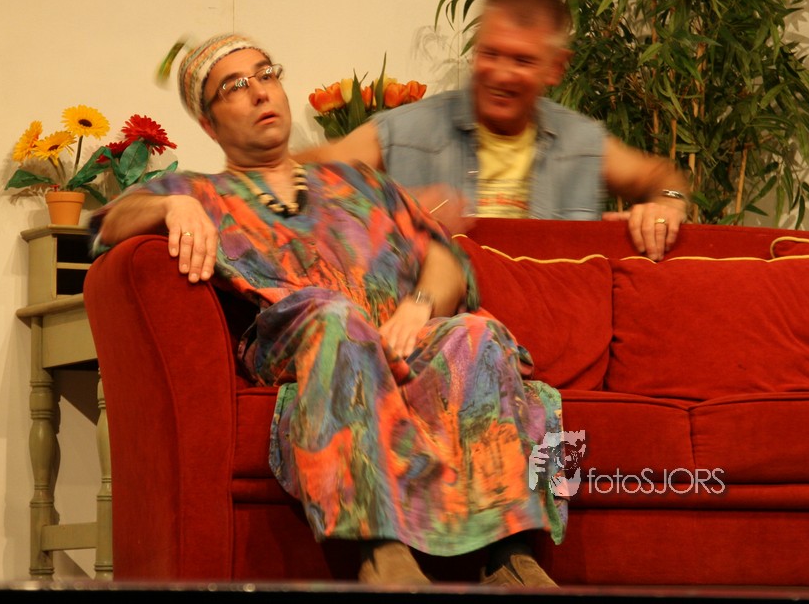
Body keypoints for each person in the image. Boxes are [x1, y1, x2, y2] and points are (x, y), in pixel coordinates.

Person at [91, 33, 570, 587]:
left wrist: (416, 308)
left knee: (473, 336)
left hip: (396, 339)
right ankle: (379, 552)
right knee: (335, 315)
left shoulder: (358, 182)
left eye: (266, 74)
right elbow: (103, 225)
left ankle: (509, 556)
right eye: (235, 86)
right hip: (302, 336)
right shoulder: (201, 189)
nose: (260, 92)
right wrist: (171, 206)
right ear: (209, 123)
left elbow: (446, 260)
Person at [295, 0, 691, 262]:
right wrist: (396, 206)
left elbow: (664, 178)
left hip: (549, 330)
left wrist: (667, 204)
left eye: (522, 60)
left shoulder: (582, 141)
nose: (501, 74)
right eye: (491, 54)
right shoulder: (407, 131)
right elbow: (294, 174)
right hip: (438, 330)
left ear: (555, 67)